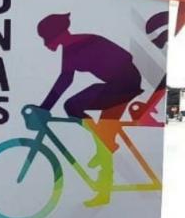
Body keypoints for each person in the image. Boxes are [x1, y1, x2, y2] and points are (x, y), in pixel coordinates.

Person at [37, 13, 143, 207]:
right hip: (115, 84)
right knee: (104, 137)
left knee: (73, 106)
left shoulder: (91, 41)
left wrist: (44, 108)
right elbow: (65, 80)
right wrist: (44, 108)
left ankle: (102, 144)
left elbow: (126, 58)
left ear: (59, 34)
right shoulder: (70, 50)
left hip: (126, 81)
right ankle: (104, 190)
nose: (47, 44)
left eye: (48, 39)